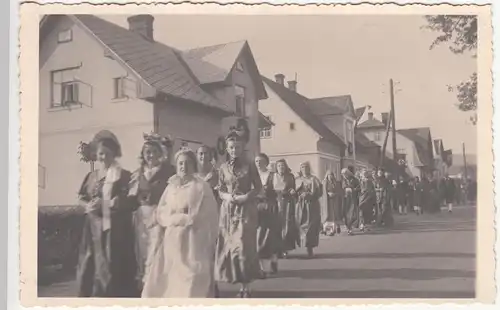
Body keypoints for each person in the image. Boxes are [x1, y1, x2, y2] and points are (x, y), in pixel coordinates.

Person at [142, 148, 219, 298]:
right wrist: (172, 219)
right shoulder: (171, 186)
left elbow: (208, 213)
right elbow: (162, 209)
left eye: (187, 163)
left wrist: (189, 219)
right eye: (181, 164)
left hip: (193, 238)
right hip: (173, 237)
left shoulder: (201, 187)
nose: (184, 167)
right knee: (170, 275)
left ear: (193, 165)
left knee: (192, 276)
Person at [76, 130, 137, 297]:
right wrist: (89, 205)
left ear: (115, 154)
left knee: (111, 267)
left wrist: (113, 203)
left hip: (115, 231)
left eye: (108, 154)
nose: (104, 158)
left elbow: (133, 202)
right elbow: (82, 197)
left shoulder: (124, 176)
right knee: (90, 263)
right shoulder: (91, 175)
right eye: (101, 154)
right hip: (92, 229)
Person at [214, 130, 262, 298]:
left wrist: (246, 197)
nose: (235, 150)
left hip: (245, 210)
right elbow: (220, 189)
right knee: (231, 247)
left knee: (243, 247)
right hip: (228, 211)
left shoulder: (249, 166)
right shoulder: (223, 168)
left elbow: (258, 187)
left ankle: (246, 285)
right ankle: (237, 280)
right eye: (232, 147)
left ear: (243, 148)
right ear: (227, 149)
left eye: (238, 147)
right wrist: (227, 196)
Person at [128, 133, 176, 292]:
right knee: (142, 248)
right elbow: (131, 196)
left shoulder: (168, 172)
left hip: (159, 212)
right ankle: (144, 281)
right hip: (142, 214)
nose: (150, 155)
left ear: (159, 153)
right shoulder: (136, 174)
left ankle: (155, 282)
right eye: (147, 152)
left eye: (153, 152)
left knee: (156, 247)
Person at [255, 153, 280, 276]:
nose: (258, 163)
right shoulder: (253, 176)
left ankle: (273, 259)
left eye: (261, 161)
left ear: (266, 162)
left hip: (269, 208)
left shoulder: (273, 176)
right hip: (255, 208)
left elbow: (279, 193)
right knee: (258, 237)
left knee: (269, 236)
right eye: (256, 161)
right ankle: (262, 268)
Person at [295, 162, 323, 257]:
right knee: (300, 224)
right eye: (302, 167)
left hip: (312, 205)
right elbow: (293, 191)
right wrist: (298, 195)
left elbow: (319, 192)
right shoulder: (297, 179)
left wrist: (310, 195)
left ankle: (309, 248)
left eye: (306, 167)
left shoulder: (314, 179)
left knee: (311, 226)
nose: (304, 168)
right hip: (300, 205)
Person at [273, 159, 298, 258]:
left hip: (287, 203)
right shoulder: (273, 176)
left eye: (283, 165)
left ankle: (285, 249)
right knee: (276, 226)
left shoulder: (290, 177)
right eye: (279, 166)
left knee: (286, 226)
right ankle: (277, 249)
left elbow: (293, 189)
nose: (281, 167)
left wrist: (292, 191)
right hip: (275, 202)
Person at [322, 170, 343, 236]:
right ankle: (325, 229)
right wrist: (328, 194)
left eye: (331, 175)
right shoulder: (325, 182)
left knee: (334, 215)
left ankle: (333, 230)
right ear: (327, 176)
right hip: (327, 201)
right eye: (329, 175)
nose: (330, 176)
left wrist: (335, 194)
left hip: (335, 200)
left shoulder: (336, 183)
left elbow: (339, 191)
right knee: (328, 215)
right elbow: (323, 192)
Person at [342, 168, 360, 235]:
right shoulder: (344, 180)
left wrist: (354, 189)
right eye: (343, 174)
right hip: (346, 199)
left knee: (353, 215)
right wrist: (345, 189)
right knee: (347, 214)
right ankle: (349, 228)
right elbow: (342, 187)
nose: (344, 175)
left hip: (353, 198)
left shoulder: (355, 180)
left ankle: (350, 226)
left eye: (345, 174)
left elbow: (359, 187)